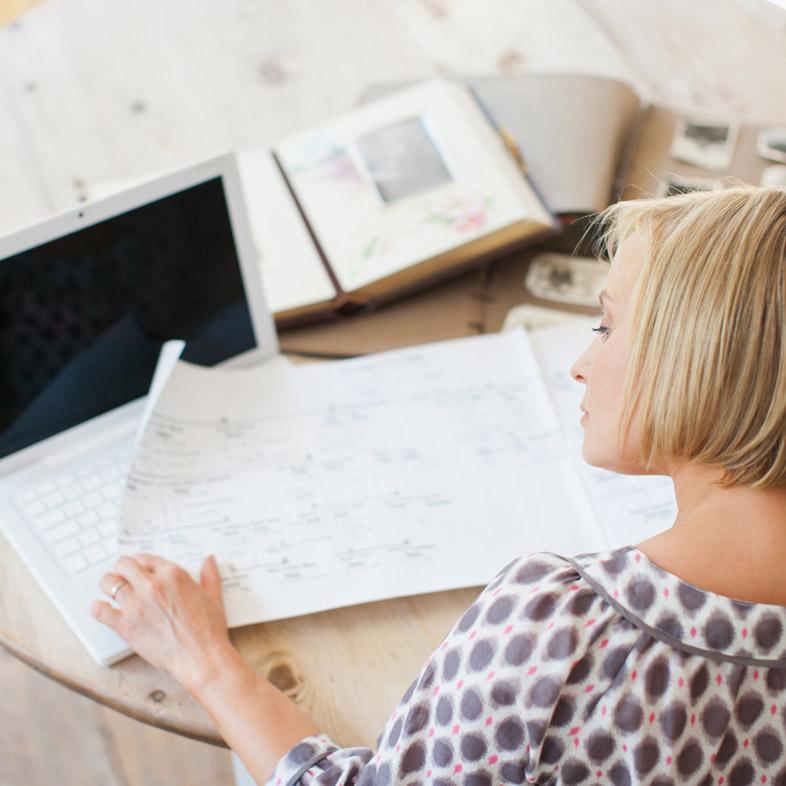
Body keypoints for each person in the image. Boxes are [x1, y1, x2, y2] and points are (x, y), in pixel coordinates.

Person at [93, 183, 786, 786]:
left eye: (606, 326)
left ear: (696, 359)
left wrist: (203, 659)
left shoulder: (563, 629)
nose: (580, 364)